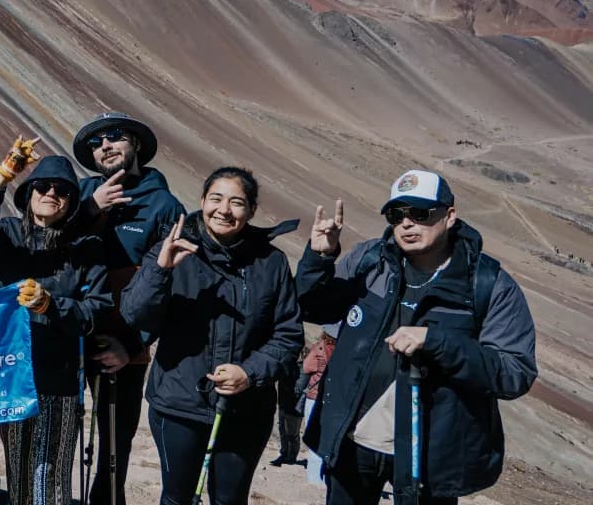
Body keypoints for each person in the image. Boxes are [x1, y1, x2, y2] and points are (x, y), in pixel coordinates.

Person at [297, 170, 538, 505]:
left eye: (421, 213)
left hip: (432, 453)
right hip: (353, 441)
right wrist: (319, 259)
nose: (407, 224)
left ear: (450, 216)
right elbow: (312, 308)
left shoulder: (488, 285)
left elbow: (515, 373)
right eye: (397, 215)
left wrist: (438, 342)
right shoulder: (370, 261)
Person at [121, 167, 303, 505]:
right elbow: (134, 314)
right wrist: (160, 270)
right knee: (177, 498)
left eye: (237, 202)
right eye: (216, 198)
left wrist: (249, 373)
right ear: (202, 200)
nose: (224, 209)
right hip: (179, 404)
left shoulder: (271, 263)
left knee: (230, 500)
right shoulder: (172, 248)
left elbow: (288, 334)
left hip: (246, 410)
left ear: (251, 210)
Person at [0, 141, 111, 505]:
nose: (51, 194)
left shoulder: (87, 247)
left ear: (72, 202)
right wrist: (4, 174)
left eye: (61, 191)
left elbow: (97, 309)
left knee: (52, 472)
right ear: (28, 194)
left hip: (59, 376)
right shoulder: (9, 234)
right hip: (11, 373)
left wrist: (51, 305)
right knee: (19, 466)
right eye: (42, 187)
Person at [71, 112, 186, 504]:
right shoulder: (78, 193)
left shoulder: (164, 206)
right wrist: (89, 210)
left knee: (114, 448)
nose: (105, 145)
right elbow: (48, 247)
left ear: (136, 144)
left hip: (121, 349)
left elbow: (166, 288)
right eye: (96, 141)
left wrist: (132, 344)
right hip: (67, 336)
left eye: (116, 136)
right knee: (59, 434)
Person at [303, 323, 339, 485]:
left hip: (314, 395)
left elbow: (306, 366)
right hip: (333, 398)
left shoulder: (320, 348)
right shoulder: (343, 351)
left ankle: (314, 479)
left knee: (313, 437)